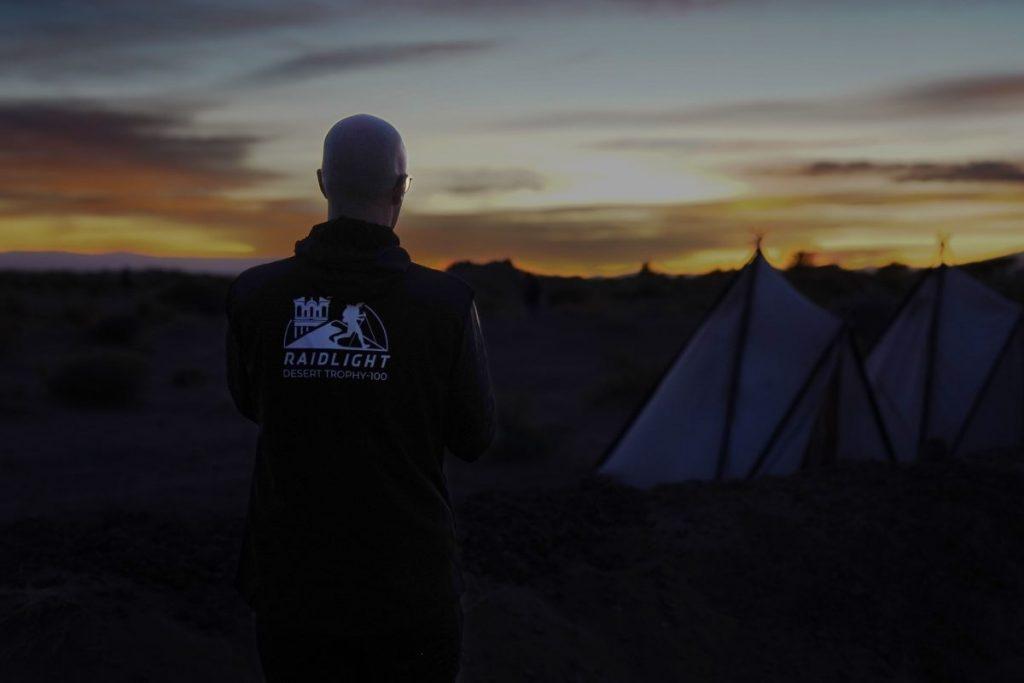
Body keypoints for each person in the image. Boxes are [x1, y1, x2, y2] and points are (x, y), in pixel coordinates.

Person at [225, 114, 496, 682]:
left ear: (323, 182)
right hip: (409, 586)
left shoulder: (255, 294)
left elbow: (252, 404)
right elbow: (474, 438)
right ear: (401, 189)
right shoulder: (446, 302)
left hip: (292, 584)